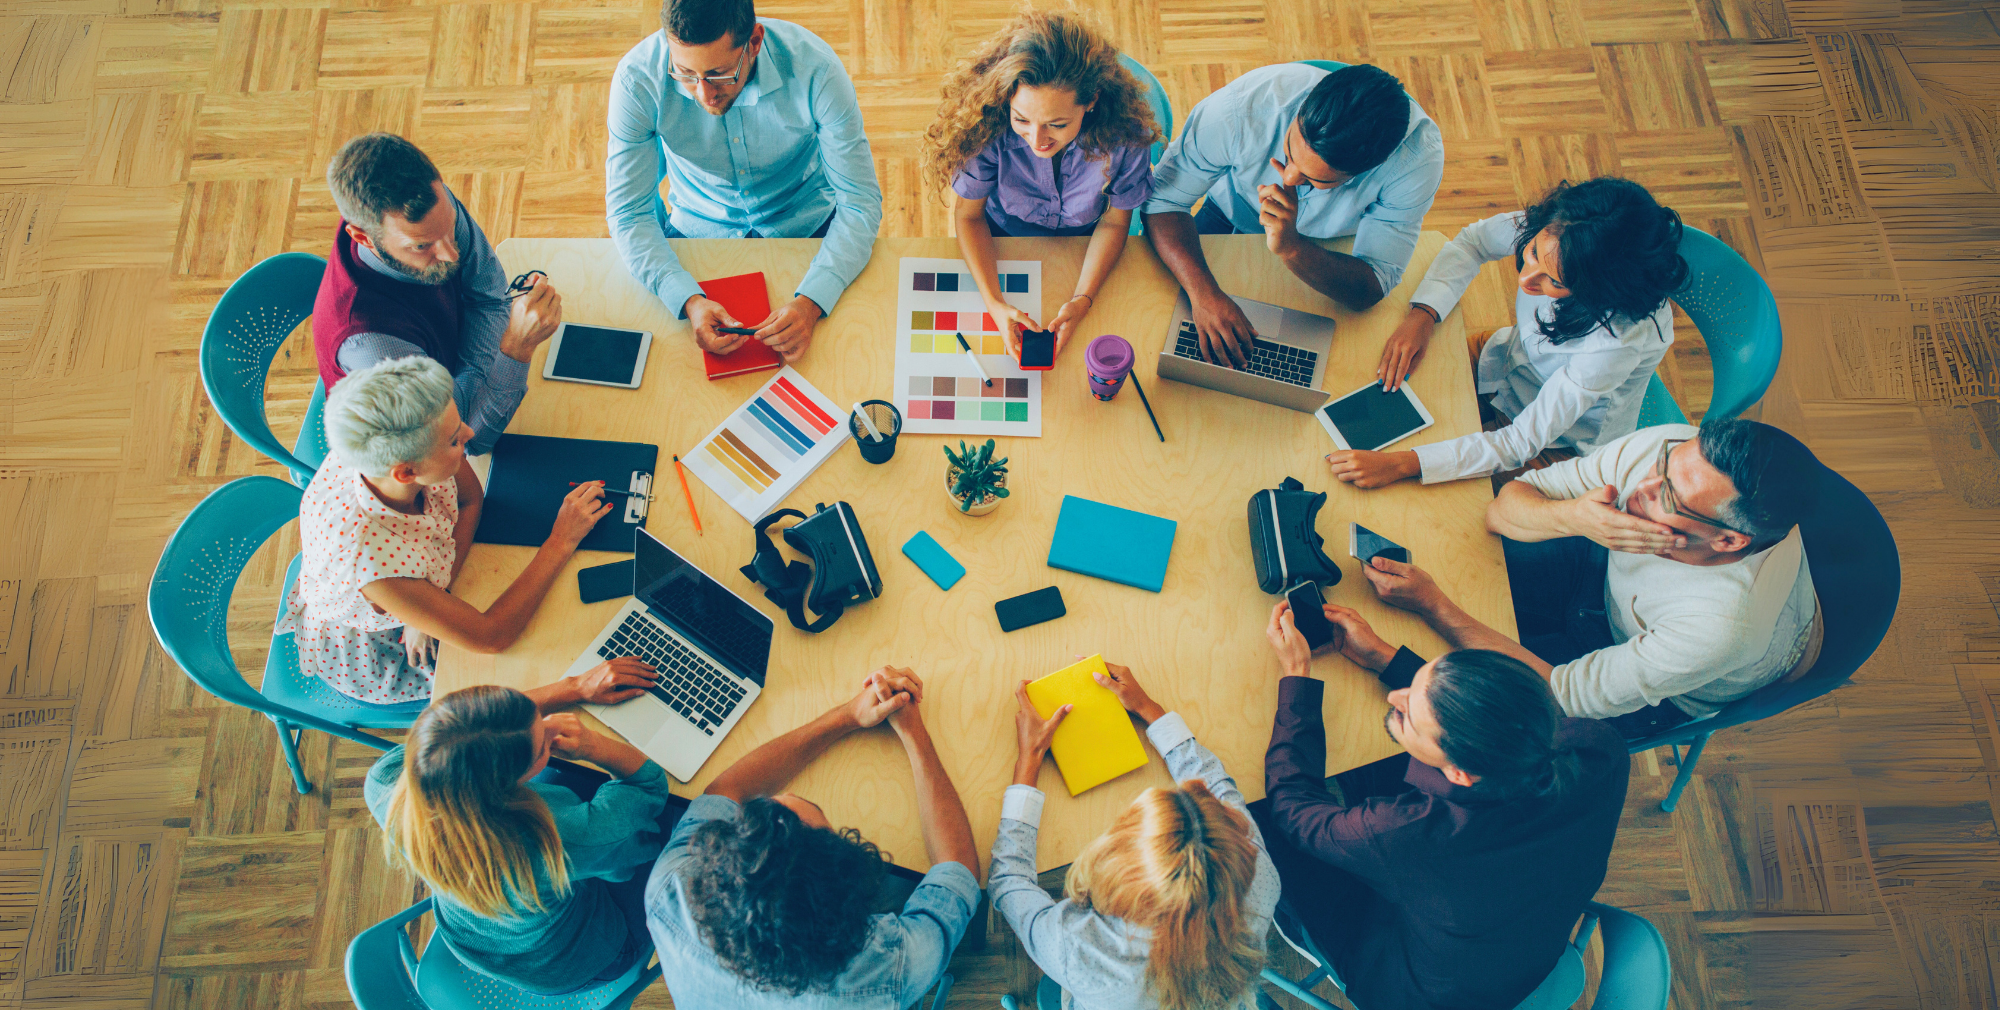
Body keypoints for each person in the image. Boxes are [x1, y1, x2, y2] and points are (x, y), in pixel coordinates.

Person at [1254, 600, 1629, 1010]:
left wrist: (1296, 675)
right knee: (1376, 764)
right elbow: (1487, 710)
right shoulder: (1600, 748)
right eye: (1414, 682)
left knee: (1266, 822)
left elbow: (1294, 809)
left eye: (1408, 714)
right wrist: (1381, 655)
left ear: (1460, 774)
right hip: (1524, 942)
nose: (1396, 696)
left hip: (1419, 991)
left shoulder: (1410, 832)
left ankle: (1292, 924)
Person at [1348, 418, 1823, 739]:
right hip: (1605, 580)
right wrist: (1576, 517)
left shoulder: (1721, 626)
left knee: (1473, 715)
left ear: (1728, 542)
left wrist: (1436, 605)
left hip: (1666, 686)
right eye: (1665, 463)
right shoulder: (1670, 452)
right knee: (1457, 558)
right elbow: (1504, 508)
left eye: (1669, 498)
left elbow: (1558, 698)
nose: (1642, 486)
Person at [277, 357, 611, 704]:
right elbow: (491, 637)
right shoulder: (372, 563)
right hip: (380, 642)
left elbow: (471, 501)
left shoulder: (398, 450)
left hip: (415, 586)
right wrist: (560, 541)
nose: (469, 434)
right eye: (454, 440)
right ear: (406, 474)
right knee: (511, 685)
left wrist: (433, 598)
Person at [646, 667, 980, 1008]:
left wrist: (848, 715)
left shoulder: (671, 885)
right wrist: (912, 732)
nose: (787, 790)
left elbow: (727, 791)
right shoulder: (883, 971)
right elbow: (957, 875)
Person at [1329, 178, 1689, 489]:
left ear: (1599, 291)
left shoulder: (1615, 344)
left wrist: (1403, 464)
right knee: (1365, 379)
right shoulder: (1560, 229)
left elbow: (1520, 442)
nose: (1525, 280)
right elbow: (1473, 242)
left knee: (1446, 502)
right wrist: (1424, 313)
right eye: (1532, 253)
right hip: (1502, 361)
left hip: (1559, 443)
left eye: (1554, 281)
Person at [365, 674, 680, 994]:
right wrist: (590, 744)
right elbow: (648, 787)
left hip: (482, 944)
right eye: (542, 740)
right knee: (675, 820)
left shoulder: (387, 786)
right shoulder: (555, 840)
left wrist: (574, 688)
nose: (549, 727)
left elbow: (470, 729)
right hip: (587, 959)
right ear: (510, 781)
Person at [607, 0, 883, 363]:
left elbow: (860, 201)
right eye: (686, 74)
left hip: (808, 228)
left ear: (754, 41)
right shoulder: (637, 80)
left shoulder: (817, 69)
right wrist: (686, 298)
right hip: (697, 235)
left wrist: (814, 300)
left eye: (719, 74)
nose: (703, 94)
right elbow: (630, 213)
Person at [996, 665, 1278, 1010]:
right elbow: (1218, 789)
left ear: (1117, 873)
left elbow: (1009, 880)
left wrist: (1030, 757)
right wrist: (1149, 709)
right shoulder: (1259, 876)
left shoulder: (1078, 949)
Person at [1142, 63, 1443, 368]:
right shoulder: (1241, 109)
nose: (1287, 179)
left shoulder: (1416, 164)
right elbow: (1162, 201)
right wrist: (1204, 295)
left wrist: (1292, 247)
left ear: (1366, 170)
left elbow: (1372, 283)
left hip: (1324, 247)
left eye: (1316, 180)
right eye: (1288, 151)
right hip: (1228, 212)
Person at [923, 8, 1161, 360]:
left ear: (1091, 102)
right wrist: (994, 303)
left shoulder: (1126, 138)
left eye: (1057, 124)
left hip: (1087, 242)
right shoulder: (987, 128)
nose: (1038, 140)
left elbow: (1114, 220)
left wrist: (1083, 299)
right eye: (1021, 119)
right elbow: (969, 217)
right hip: (1000, 236)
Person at [315, 132, 561, 458]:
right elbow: (469, 439)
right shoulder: (370, 345)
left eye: (450, 228)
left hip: (447, 369)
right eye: (422, 246)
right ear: (364, 238)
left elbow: (488, 295)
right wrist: (515, 347)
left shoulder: (430, 211)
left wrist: (470, 387)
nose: (449, 254)